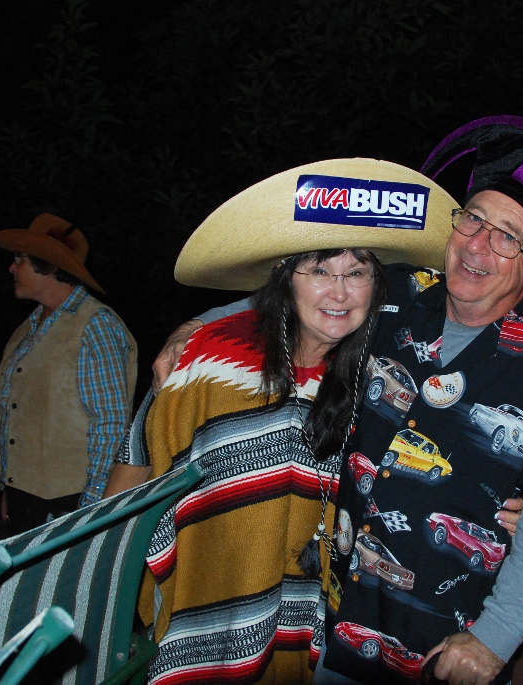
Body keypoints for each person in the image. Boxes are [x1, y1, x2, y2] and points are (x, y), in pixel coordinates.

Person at [154, 117, 523, 685]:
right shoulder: (401, 294)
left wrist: (496, 638)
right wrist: (197, 326)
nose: (477, 245)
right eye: (472, 219)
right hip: (333, 622)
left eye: (507, 237)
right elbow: (305, 296)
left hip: (441, 644)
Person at [109, 158, 458, 685]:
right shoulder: (210, 362)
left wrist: (507, 504)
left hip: (314, 616)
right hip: (207, 606)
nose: (339, 292)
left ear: (377, 284)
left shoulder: (380, 377)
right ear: (284, 277)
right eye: (319, 271)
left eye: (357, 273)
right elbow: (138, 460)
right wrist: (97, 574)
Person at [0, 214, 137, 534]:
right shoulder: (27, 329)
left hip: (70, 502)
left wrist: (91, 509)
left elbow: (109, 423)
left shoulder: (95, 325)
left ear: (48, 266)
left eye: (20, 259)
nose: (12, 268)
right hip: (24, 498)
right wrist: (10, 485)